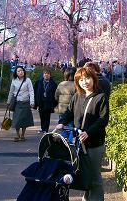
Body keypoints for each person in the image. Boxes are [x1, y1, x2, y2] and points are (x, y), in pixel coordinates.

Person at [55, 67, 109, 201]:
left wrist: (88, 133)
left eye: (88, 78)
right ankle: (87, 197)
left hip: (94, 143)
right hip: (79, 142)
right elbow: (69, 112)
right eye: (81, 79)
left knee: (95, 176)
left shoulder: (100, 97)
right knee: (84, 173)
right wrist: (62, 122)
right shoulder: (77, 96)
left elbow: (103, 119)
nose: (85, 82)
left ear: (94, 79)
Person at [6, 66, 34, 142]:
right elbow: (11, 92)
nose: (20, 72)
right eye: (18, 71)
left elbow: (31, 91)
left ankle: (23, 135)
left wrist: (32, 102)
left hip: (25, 102)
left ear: (24, 71)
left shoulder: (27, 80)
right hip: (17, 103)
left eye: (21, 70)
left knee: (24, 120)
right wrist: (8, 101)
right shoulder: (14, 81)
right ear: (16, 73)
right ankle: (17, 134)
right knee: (17, 119)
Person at [34, 68, 57, 133]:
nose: (46, 75)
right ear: (43, 75)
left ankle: (45, 129)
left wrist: (54, 103)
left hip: (49, 102)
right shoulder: (38, 82)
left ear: (50, 75)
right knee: (41, 116)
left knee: (47, 116)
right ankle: (42, 128)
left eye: (48, 74)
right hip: (40, 102)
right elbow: (35, 92)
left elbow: (55, 94)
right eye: (45, 73)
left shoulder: (53, 83)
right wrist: (36, 103)